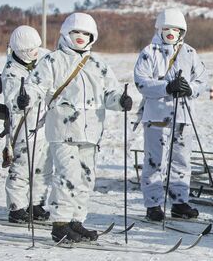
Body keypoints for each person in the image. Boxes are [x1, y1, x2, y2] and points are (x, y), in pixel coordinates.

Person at [16, 12, 133, 242]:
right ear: (66, 34)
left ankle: (76, 220)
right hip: (63, 131)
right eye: (75, 32)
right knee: (67, 176)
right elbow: (36, 86)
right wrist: (26, 97)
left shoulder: (98, 64)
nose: (80, 37)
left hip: (90, 133)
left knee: (86, 178)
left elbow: (110, 93)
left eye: (85, 33)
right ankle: (60, 223)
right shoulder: (53, 61)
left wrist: (121, 101)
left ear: (93, 36)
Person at [133, 8, 207, 221]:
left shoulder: (190, 53)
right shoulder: (150, 52)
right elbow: (142, 81)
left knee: (181, 161)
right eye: (166, 29)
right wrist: (166, 87)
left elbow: (202, 79)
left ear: (182, 31)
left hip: (183, 117)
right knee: (155, 162)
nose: (171, 33)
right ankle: (153, 204)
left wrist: (189, 88)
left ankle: (179, 201)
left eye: (175, 29)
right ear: (159, 29)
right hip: (157, 117)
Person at [1, 25, 53, 223]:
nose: (34, 53)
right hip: (25, 124)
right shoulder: (11, 71)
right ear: (19, 51)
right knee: (22, 166)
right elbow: (11, 99)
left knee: (43, 166)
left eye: (36, 48)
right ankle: (16, 207)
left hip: (46, 121)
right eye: (28, 50)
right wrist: (20, 101)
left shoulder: (45, 58)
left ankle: (36, 203)